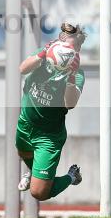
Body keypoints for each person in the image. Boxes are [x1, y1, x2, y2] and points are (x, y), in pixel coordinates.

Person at [15, 22, 87, 201]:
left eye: (68, 43)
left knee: (39, 193)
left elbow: (70, 104)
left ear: (76, 50)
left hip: (49, 135)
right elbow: (22, 69)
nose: (62, 44)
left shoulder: (77, 73)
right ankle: (32, 172)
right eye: (61, 39)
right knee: (23, 152)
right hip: (26, 122)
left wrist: (71, 74)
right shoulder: (44, 55)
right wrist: (43, 53)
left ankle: (71, 176)